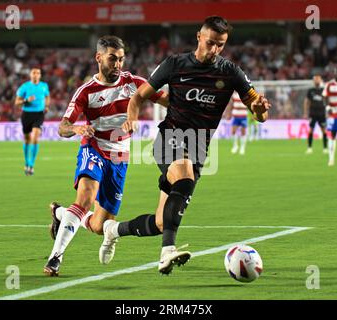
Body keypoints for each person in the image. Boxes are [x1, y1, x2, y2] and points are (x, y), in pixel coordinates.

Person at [104, 16, 271, 275]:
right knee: (184, 179)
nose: (214, 49)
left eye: (221, 45)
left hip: (198, 149)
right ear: (199, 37)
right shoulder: (175, 64)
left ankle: (113, 230)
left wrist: (259, 111)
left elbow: (258, 112)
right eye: (211, 42)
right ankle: (167, 252)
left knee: (161, 222)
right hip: (169, 138)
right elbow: (139, 96)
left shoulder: (231, 72)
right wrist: (132, 119)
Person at [44, 35, 168, 277]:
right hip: (94, 148)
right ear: (98, 57)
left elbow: (165, 100)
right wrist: (77, 128)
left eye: (121, 59)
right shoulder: (86, 91)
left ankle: (60, 213)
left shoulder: (134, 83)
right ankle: (55, 258)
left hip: (120, 158)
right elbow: (62, 126)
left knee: (100, 226)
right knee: (85, 198)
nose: (118, 64)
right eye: (113, 59)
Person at [14, 67, 50, 175]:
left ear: (40, 75)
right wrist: (26, 100)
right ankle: (27, 162)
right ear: (30, 75)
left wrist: (47, 106)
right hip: (26, 114)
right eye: (34, 73)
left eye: (38, 73)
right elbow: (17, 102)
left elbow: (47, 96)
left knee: (35, 138)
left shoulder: (44, 86)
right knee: (27, 140)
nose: (36, 75)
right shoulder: (25, 87)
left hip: (39, 114)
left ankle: (32, 165)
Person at [303, 74, 328, 154]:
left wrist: (328, 111)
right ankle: (309, 148)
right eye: (315, 79)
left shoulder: (324, 90)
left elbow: (327, 101)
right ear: (313, 81)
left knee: (324, 131)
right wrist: (305, 112)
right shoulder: (310, 90)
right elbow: (307, 102)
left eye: (318, 79)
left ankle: (325, 148)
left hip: (322, 113)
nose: (317, 80)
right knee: (310, 130)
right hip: (312, 113)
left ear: (320, 80)